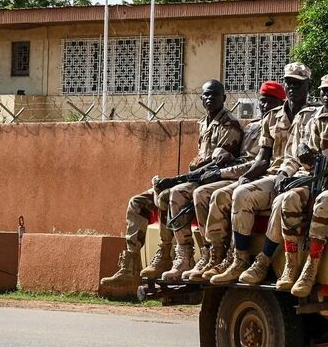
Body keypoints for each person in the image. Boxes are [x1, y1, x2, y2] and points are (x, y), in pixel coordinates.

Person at [99, 80, 243, 296]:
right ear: (201, 99)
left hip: (207, 180)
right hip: (191, 177)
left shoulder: (230, 125)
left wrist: (175, 180)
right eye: (206, 95)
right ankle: (129, 265)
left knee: (169, 194)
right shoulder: (203, 123)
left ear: (224, 98)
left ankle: (176, 253)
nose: (210, 98)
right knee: (137, 202)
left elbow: (215, 165)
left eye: (215, 94)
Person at [247, 75, 328, 297]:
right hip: (315, 180)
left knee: (324, 201)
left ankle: (311, 267)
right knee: (289, 198)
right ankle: (291, 265)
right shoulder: (322, 122)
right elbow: (306, 156)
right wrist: (306, 155)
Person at [208, 62, 315, 285]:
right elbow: (263, 158)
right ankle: (239, 259)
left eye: (298, 83)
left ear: (308, 86)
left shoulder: (315, 116)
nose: (293, 87)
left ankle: (263, 261)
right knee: (240, 193)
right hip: (272, 175)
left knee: (280, 202)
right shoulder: (272, 116)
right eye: (289, 83)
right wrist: (246, 177)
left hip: (299, 177)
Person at [181, 81, 286, 282]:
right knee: (200, 193)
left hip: (261, 176)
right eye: (262, 101)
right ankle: (212, 253)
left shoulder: (284, 125)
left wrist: (224, 174)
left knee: (221, 195)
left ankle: (234, 256)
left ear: (281, 103)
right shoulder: (253, 126)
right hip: (241, 174)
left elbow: (259, 163)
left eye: (271, 102)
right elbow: (241, 157)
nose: (265, 106)